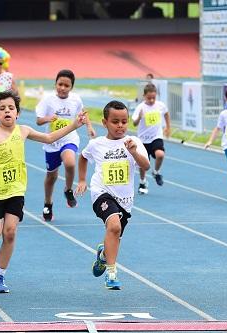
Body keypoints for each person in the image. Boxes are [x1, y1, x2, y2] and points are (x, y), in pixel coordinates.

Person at [0, 91, 86, 293]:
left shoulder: (23, 130)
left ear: (18, 113)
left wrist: (74, 125)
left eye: (11, 108)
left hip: (15, 189)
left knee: (10, 232)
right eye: (2, 109)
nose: (7, 111)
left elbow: (48, 137)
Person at [76, 100, 150, 290]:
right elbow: (83, 157)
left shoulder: (134, 142)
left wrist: (133, 152)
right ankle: (111, 273)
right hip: (102, 193)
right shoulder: (97, 144)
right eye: (115, 121)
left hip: (125, 200)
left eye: (124, 121)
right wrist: (82, 180)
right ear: (105, 122)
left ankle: (103, 256)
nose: (120, 126)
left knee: (115, 234)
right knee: (114, 226)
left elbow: (146, 166)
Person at [35, 69, 95, 221]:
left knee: (70, 163)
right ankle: (48, 203)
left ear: (71, 87)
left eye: (66, 85)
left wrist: (89, 126)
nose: (62, 88)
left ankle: (68, 190)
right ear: (55, 84)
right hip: (51, 141)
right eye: (60, 84)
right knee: (51, 176)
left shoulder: (75, 99)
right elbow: (38, 120)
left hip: (69, 138)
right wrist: (49, 118)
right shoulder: (48, 100)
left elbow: (83, 114)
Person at [132, 83, 170, 194]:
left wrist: (168, 127)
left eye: (154, 97)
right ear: (144, 96)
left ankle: (156, 172)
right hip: (143, 140)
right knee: (143, 163)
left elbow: (166, 114)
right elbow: (134, 123)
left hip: (156, 137)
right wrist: (139, 117)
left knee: (160, 155)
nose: (152, 100)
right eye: (149, 98)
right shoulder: (140, 107)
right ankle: (142, 181)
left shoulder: (160, 105)